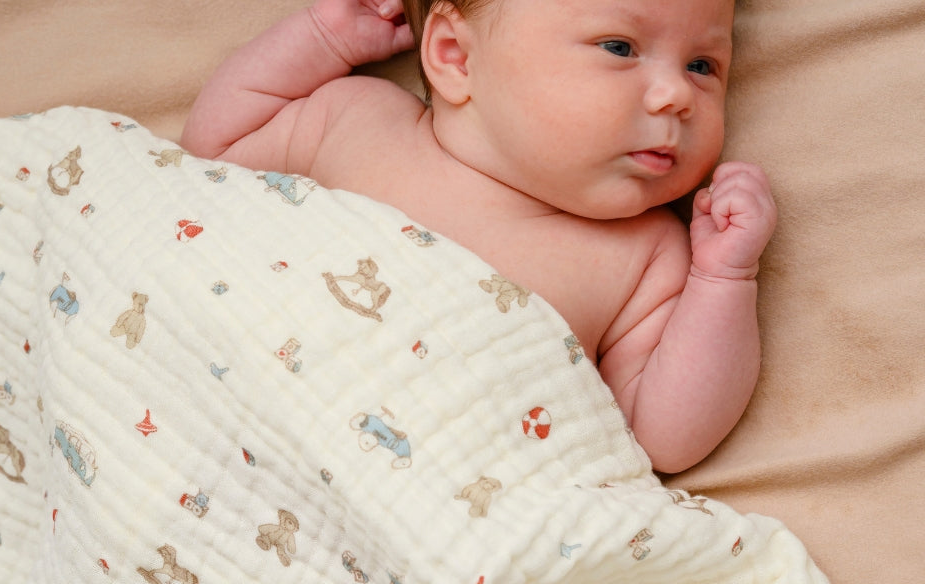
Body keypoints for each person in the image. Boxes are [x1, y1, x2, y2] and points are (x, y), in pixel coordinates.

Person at [181, 0, 777, 474]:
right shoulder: (355, 120)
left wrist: (724, 277)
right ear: (456, 57)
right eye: (620, 47)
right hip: (221, 430)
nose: (677, 95)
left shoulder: (646, 254)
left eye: (702, 66)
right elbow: (207, 163)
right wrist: (324, 37)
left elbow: (666, 439)